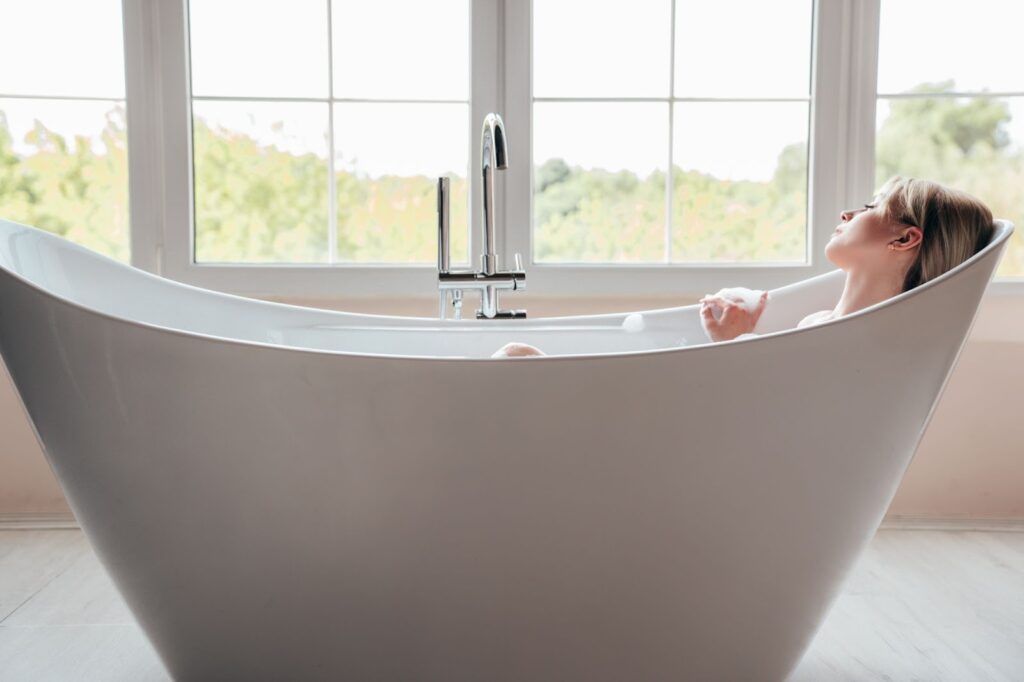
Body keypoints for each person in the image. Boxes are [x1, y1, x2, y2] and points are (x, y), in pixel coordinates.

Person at [491, 175, 995, 358]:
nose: (848, 213)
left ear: (905, 238)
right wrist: (735, 346)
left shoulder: (856, 344)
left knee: (515, 358)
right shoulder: (823, 327)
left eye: (870, 206)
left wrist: (738, 351)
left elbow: (761, 420)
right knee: (515, 358)